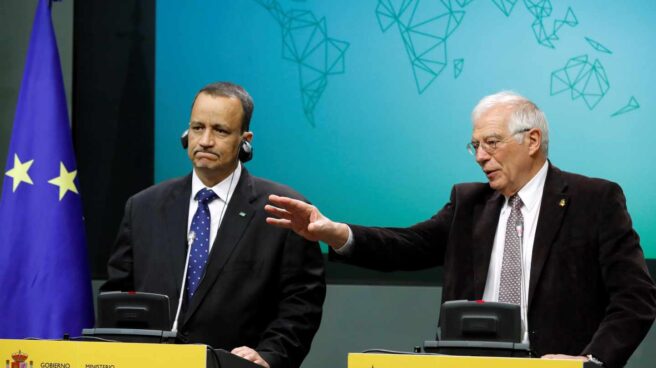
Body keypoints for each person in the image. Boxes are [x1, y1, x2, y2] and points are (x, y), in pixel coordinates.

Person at [265, 91, 656, 368]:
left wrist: (591, 361)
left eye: (491, 142)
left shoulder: (594, 200)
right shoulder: (469, 203)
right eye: (475, 146)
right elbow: (408, 245)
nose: (481, 156)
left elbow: (635, 297)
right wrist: (335, 232)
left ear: (532, 140)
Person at [102, 82, 326, 368]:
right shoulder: (143, 207)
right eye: (197, 128)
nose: (205, 140)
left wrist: (270, 355)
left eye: (220, 130)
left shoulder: (283, 211)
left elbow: (301, 304)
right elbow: (117, 299)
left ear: (245, 140)